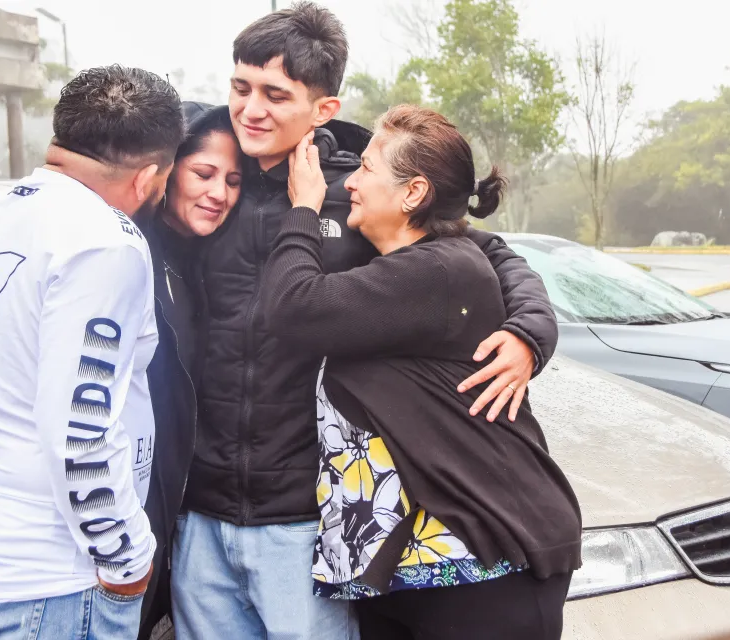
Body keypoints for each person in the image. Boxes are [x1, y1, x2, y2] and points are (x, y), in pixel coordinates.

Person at [173, 2, 561, 639]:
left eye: (275, 95)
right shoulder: (208, 178)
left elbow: (483, 253)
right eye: (240, 88)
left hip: (306, 517)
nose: (251, 110)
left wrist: (528, 333)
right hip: (203, 511)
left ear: (323, 108)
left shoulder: (355, 193)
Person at [0, 101, 244, 639]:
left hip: (130, 545)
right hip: (70, 564)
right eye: (203, 173)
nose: (218, 192)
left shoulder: (210, 263)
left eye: (233, 180)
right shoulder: (108, 248)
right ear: (157, 174)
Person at [264, 105, 583, 640]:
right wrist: (532, 325)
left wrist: (302, 208)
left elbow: (292, 307)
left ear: (413, 193)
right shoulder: (430, 255)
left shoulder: (437, 270)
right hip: (410, 573)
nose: (350, 183)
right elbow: (496, 248)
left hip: (481, 573)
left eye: (366, 169)